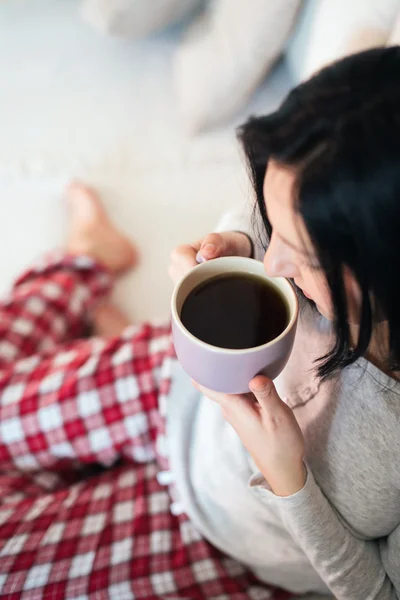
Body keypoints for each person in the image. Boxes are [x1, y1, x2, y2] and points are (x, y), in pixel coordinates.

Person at [0, 46, 399, 600]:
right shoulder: (338, 180)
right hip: (171, 392)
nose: (273, 266)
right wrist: (235, 242)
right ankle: (90, 265)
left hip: (221, 539)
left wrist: (289, 477)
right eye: (273, 230)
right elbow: (270, 218)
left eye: (304, 257)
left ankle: (85, 275)